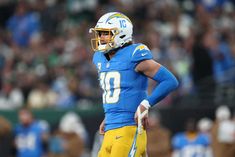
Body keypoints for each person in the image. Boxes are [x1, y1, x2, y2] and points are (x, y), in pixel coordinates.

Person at [89, 12, 179, 157]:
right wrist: (109, 116)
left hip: (128, 128)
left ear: (121, 34)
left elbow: (170, 81)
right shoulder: (100, 58)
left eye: (105, 33)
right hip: (111, 128)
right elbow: (118, 91)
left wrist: (146, 103)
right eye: (99, 34)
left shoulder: (134, 55)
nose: (100, 38)